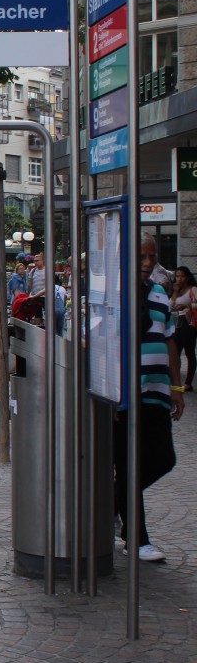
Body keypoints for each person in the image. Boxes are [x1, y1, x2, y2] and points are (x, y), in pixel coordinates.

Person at [113, 235, 186, 562]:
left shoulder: (158, 292)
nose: (147, 263)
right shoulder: (114, 292)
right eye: (141, 256)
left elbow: (169, 339)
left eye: (152, 257)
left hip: (156, 392)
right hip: (125, 396)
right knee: (130, 464)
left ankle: (112, 504)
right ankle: (136, 538)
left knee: (163, 458)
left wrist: (176, 385)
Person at [170, 266, 196, 391]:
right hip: (176, 323)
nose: (179, 279)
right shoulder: (176, 290)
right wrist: (175, 292)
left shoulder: (192, 289)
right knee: (175, 353)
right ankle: (176, 381)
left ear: (187, 277)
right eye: (177, 276)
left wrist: (186, 305)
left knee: (189, 352)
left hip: (188, 322)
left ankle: (188, 383)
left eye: (182, 276)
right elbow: (170, 306)